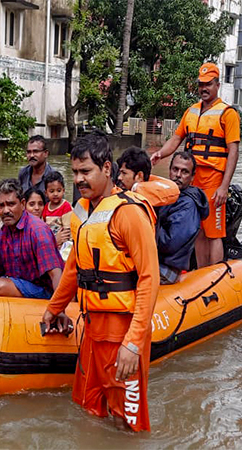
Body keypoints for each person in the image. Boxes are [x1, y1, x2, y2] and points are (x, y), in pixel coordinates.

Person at [42, 132, 159, 432]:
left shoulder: (128, 213)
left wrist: (132, 344)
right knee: (88, 406)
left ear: (107, 169)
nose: (79, 179)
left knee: (127, 421)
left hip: (122, 329)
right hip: (91, 327)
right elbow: (74, 268)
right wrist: (53, 308)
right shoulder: (80, 212)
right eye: (75, 172)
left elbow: (149, 278)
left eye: (86, 172)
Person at [151, 62, 240, 267]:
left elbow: (233, 151)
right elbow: (176, 139)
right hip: (192, 180)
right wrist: (160, 154)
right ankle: (200, 275)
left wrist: (224, 187)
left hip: (213, 180)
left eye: (208, 84)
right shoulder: (190, 111)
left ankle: (216, 277)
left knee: (214, 232)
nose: (204, 89)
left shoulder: (228, 114)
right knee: (198, 229)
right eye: (201, 84)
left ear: (217, 84)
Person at [0, 179, 64, 299]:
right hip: (22, 283)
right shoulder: (4, 233)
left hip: (45, 290)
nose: (5, 211)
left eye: (11, 204)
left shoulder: (37, 231)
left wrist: (59, 308)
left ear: (23, 204)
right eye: (1, 206)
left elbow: (56, 274)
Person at [157, 152, 209, 284]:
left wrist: (147, 224)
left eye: (184, 172)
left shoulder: (188, 205)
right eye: (175, 169)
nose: (178, 175)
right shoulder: (168, 195)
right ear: (169, 171)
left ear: (192, 177)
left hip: (166, 269)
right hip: (157, 261)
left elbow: (169, 244)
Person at [42, 171, 72, 249]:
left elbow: (67, 230)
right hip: (51, 241)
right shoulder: (46, 207)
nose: (55, 194)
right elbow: (43, 226)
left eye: (59, 190)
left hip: (63, 242)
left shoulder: (66, 206)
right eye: (51, 191)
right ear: (46, 193)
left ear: (63, 191)